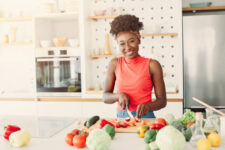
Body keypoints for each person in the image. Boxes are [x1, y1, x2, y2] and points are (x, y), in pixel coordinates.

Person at [103, 14, 167, 119]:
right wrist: (118, 96)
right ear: (118, 44)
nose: (127, 47)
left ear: (139, 39)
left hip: (146, 116)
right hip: (122, 117)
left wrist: (148, 106)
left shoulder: (153, 65)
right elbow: (105, 96)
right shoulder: (114, 64)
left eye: (131, 41)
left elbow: (162, 101)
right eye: (122, 43)